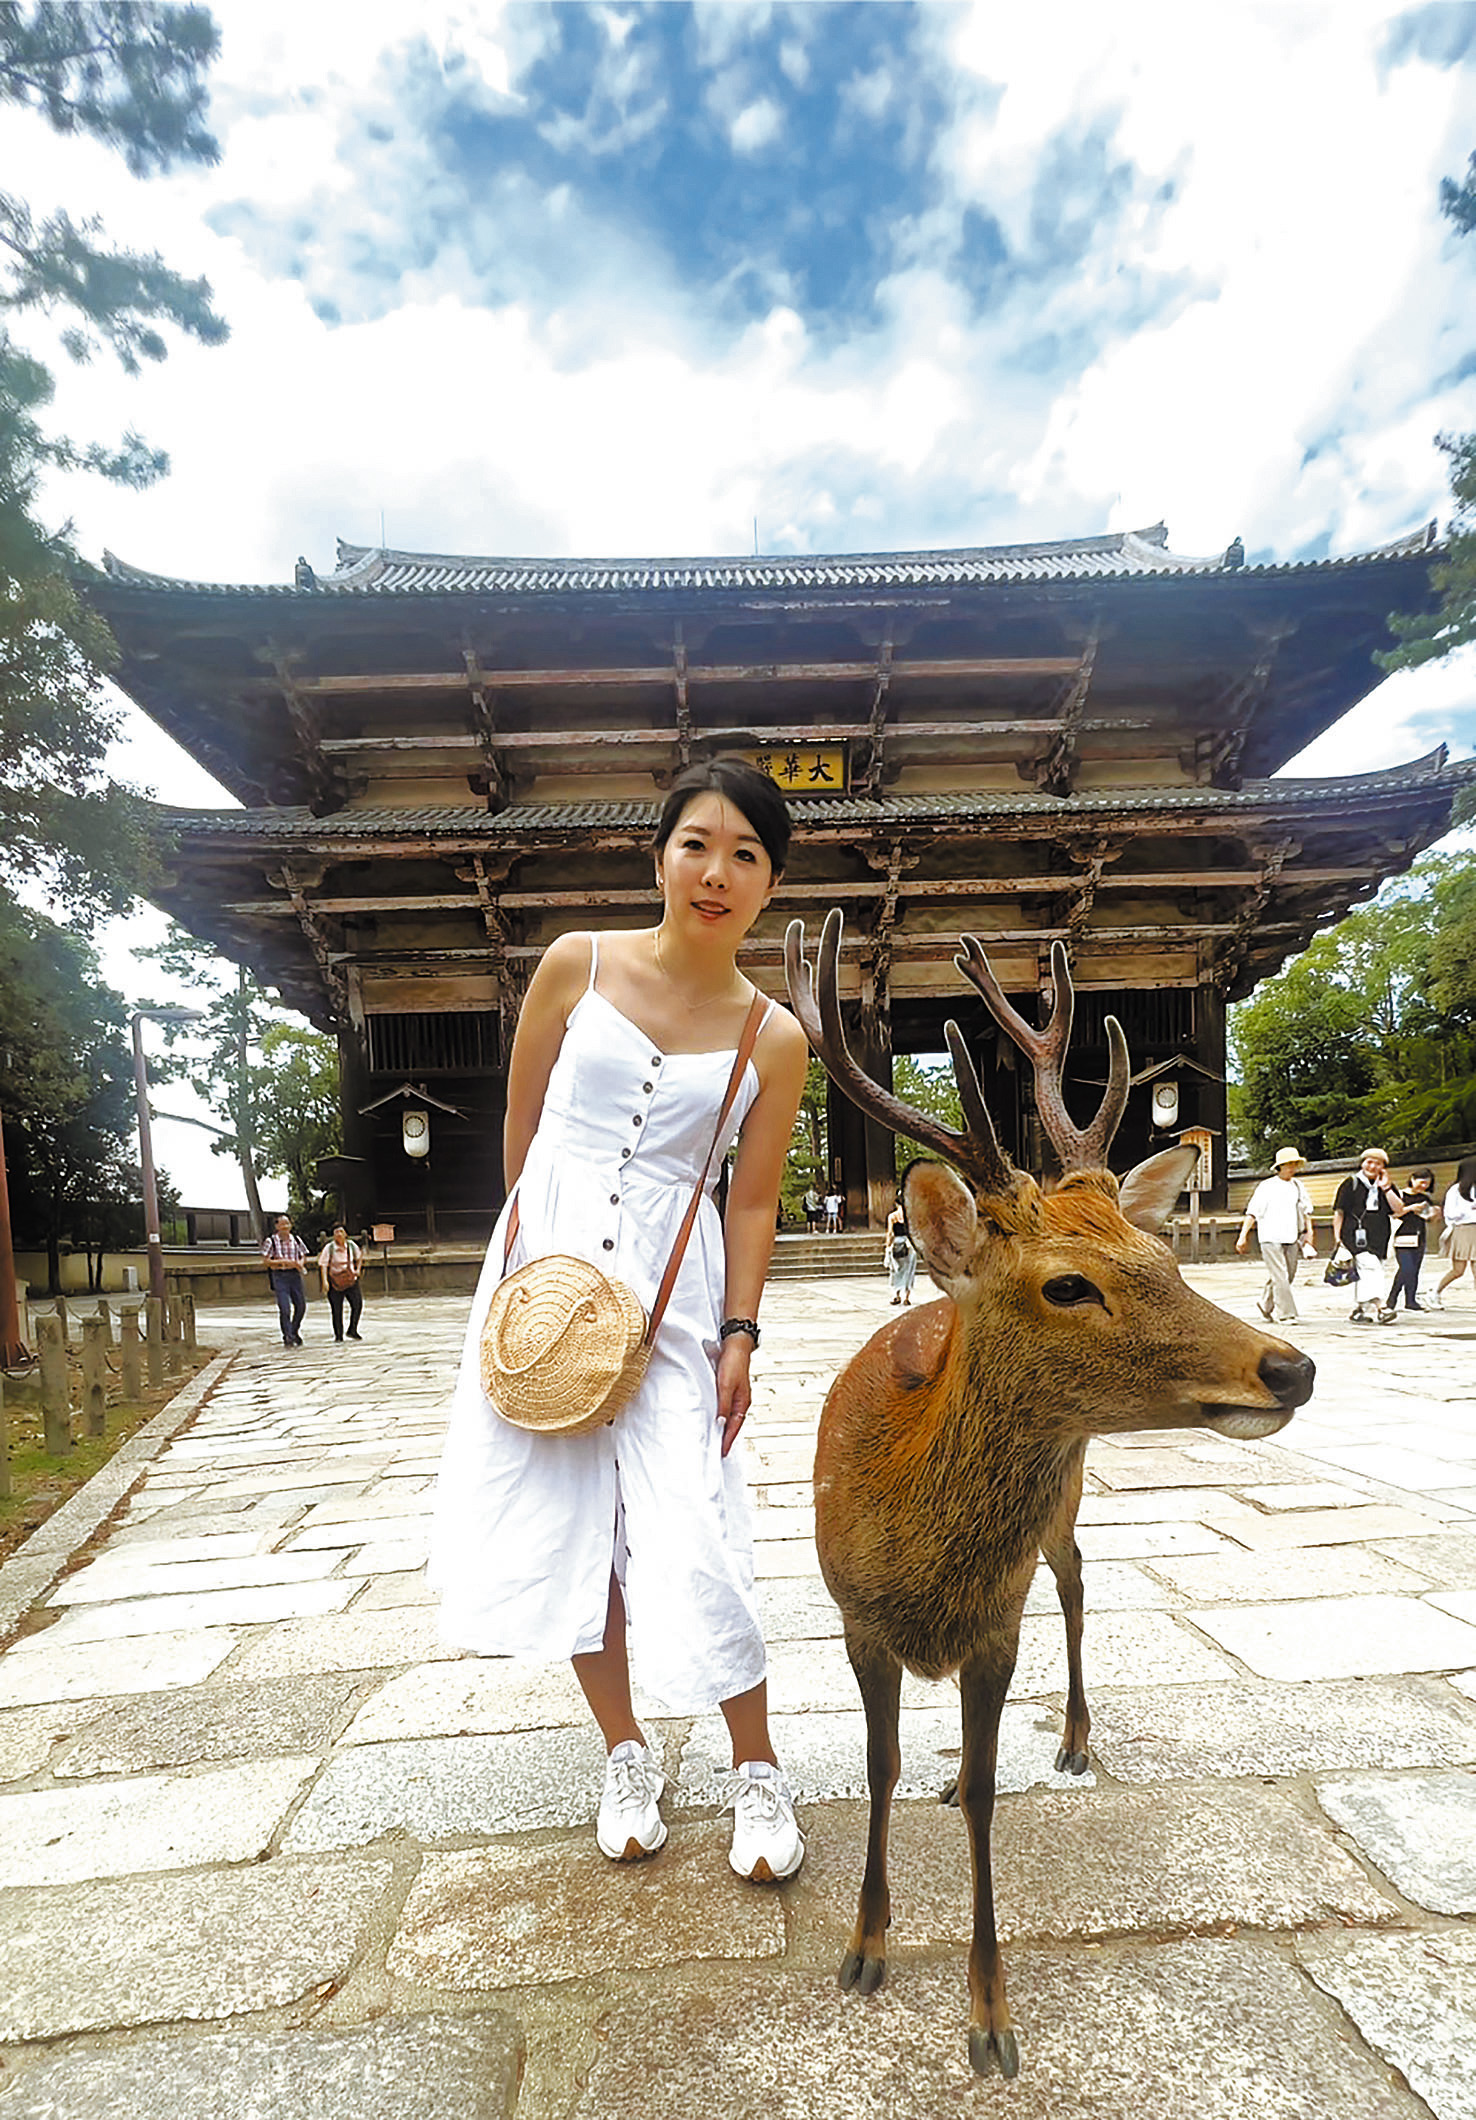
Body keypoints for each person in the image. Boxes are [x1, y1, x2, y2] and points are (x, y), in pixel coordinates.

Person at [429, 757, 810, 1885]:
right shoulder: (574, 966)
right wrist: (523, 1277)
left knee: (697, 1527)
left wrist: (739, 1331)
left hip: (675, 1297)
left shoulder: (771, 1036)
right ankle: (626, 1751)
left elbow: (751, 1196)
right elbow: (524, 1117)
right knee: (570, 1524)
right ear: (659, 854)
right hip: (544, 1283)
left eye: (748, 853)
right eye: (699, 841)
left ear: (769, 884)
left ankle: (757, 1766)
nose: (717, 870)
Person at [1235, 1147, 1315, 1323]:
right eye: (1288, 1165)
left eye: (1294, 1164)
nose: (1291, 1168)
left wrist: (1309, 1234)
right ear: (1280, 1166)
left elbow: (1306, 1212)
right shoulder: (1266, 1187)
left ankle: (1265, 1303)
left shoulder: (1298, 1186)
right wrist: (1243, 1236)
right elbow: (1252, 1213)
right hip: (1270, 1236)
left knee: (1289, 1275)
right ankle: (1286, 1314)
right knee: (1280, 1276)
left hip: (1292, 1236)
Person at [1331, 1149, 1405, 1324]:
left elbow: (1398, 1209)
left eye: (1377, 1163)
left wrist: (1386, 1188)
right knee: (1371, 1267)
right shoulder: (1351, 1183)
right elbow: (1339, 1212)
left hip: (1379, 1236)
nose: (1372, 1166)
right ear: (1362, 1163)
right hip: (1354, 1236)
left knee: (1369, 1270)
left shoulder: (1386, 1185)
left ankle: (1360, 1310)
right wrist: (1337, 1238)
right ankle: (1382, 1307)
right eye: (1369, 1162)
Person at [1386, 1169, 1437, 1314]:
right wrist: (1410, 1208)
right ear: (1413, 1179)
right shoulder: (1400, 1195)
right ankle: (1392, 1299)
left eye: (1426, 1184)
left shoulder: (1425, 1198)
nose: (1423, 1186)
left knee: (1414, 1270)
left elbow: (1429, 1218)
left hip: (1419, 1236)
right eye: (1421, 1182)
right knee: (1406, 1268)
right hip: (1402, 1236)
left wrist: (1434, 1214)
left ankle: (1411, 1300)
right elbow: (1394, 1213)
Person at [261, 1213, 308, 1346]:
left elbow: (304, 1254)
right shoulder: (271, 1241)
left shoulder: (296, 1240)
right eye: (282, 1224)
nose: (285, 1227)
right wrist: (283, 1262)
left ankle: (294, 1330)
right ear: (277, 1226)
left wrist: (300, 1262)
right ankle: (287, 1335)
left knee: (301, 1306)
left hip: (295, 1275)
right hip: (280, 1275)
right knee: (285, 1307)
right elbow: (266, 1261)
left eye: (287, 1224)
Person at [1436, 1156, 1476, 1307]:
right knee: (1458, 1270)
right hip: (1463, 1229)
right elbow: (1450, 1213)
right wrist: (1469, 1210)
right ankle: (1435, 1292)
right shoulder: (1456, 1190)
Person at [318, 1222, 365, 1341]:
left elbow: (359, 1257)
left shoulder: (351, 1245)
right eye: (336, 1233)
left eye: (341, 1232)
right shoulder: (329, 1248)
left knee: (357, 1304)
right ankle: (338, 1337)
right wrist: (325, 1282)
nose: (339, 1234)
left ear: (346, 1234)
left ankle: (352, 1330)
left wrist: (357, 1270)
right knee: (336, 1310)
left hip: (350, 1280)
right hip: (335, 1281)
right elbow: (323, 1265)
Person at [885, 1193, 916, 1305]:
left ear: (896, 1203)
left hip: (897, 1243)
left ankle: (896, 1295)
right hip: (909, 1244)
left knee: (896, 1270)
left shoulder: (892, 1216)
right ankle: (907, 1297)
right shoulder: (911, 1216)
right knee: (909, 1271)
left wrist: (888, 1247)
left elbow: (890, 1233)